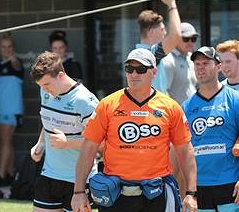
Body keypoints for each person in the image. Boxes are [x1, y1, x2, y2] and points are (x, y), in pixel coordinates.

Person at [71, 48, 197, 212]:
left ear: (154, 72)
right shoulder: (107, 105)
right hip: (116, 195)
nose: (134, 74)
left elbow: (185, 151)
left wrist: (191, 193)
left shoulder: (171, 107)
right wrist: (79, 191)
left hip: (156, 194)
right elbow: (88, 149)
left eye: (141, 69)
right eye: (129, 69)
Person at [30, 51, 98, 212]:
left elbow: (101, 142)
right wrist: (41, 143)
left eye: (47, 85)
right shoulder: (45, 91)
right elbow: (49, 119)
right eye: (41, 86)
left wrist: (67, 143)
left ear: (60, 75)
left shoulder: (85, 101)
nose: (45, 90)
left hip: (79, 181)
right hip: (49, 175)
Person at [182, 46, 239, 212]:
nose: (200, 67)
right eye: (197, 64)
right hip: (199, 187)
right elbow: (182, 151)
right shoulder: (186, 106)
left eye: (206, 63)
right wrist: (187, 192)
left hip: (230, 185)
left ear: (219, 67)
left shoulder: (234, 99)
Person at [0, 34, 24, 186]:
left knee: (5, 140)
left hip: (11, 110)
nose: (6, 50)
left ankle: (0, 174)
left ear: (13, 48)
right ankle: (10, 173)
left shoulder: (16, 63)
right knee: (5, 141)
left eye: (9, 46)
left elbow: (17, 65)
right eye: (3, 47)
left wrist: (14, 59)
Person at [136, 0, 181, 93]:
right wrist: (171, 4)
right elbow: (176, 36)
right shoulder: (149, 54)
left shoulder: (139, 53)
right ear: (151, 32)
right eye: (162, 29)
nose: (165, 33)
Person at [163, 22, 198, 104]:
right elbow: (163, 92)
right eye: (186, 39)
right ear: (176, 39)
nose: (190, 42)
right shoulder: (168, 60)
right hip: (177, 114)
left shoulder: (192, 58)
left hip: (194, 112)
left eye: (193, 39)